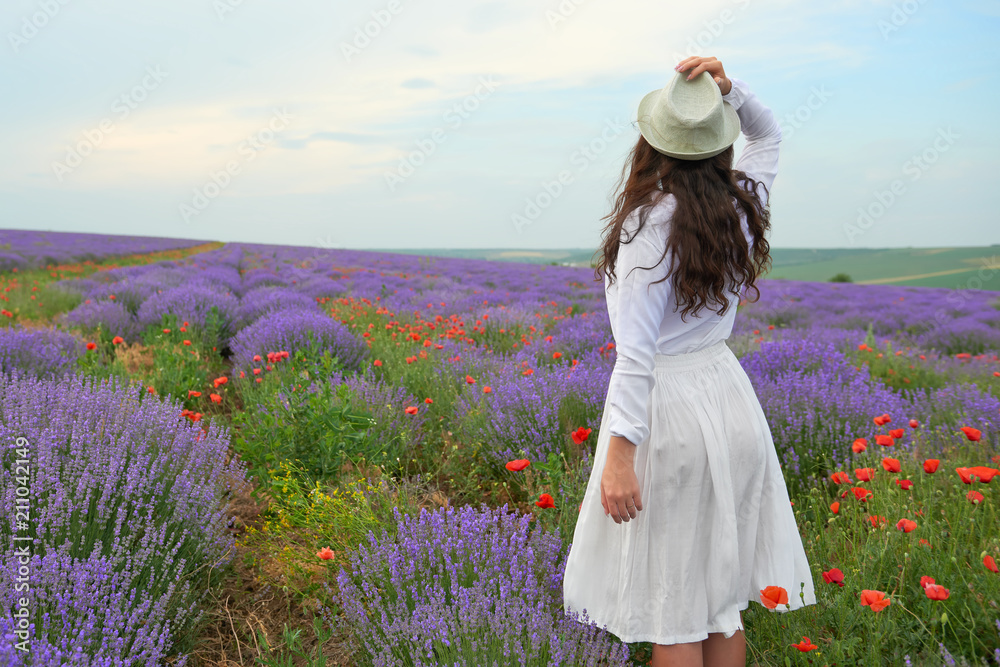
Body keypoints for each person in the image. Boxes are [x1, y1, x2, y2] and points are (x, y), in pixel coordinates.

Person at [562, 56, 817, 667]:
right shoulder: (742, 202)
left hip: (667, 414)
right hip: (728, 397)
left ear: (651, 145)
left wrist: (620, 453)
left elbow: (636, 355)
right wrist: (731, 92)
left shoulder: (646, 227)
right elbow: (770, 133)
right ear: (717, 143)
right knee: (718, 603)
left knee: (673, 608)